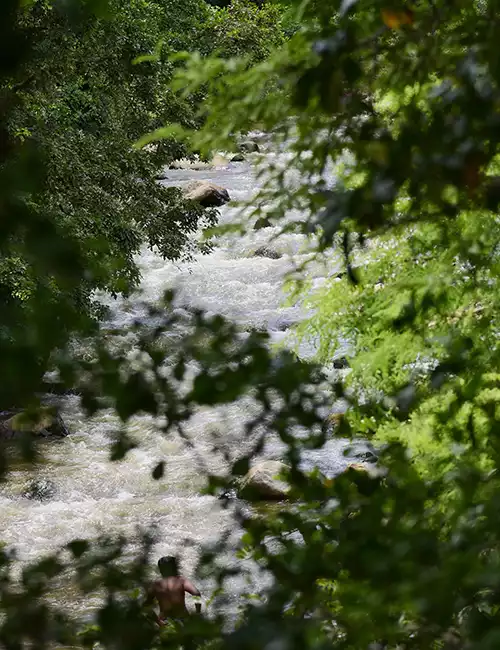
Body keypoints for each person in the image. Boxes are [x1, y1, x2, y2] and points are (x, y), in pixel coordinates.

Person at [145, 556, 201, 627]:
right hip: (183, 620)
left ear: (160, 569)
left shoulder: (156, 585)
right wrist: (197, 613)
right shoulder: (181, 581)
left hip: (165, 622)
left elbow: (146, 606)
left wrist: (158, 622)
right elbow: (196, 593)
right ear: (174, 567)